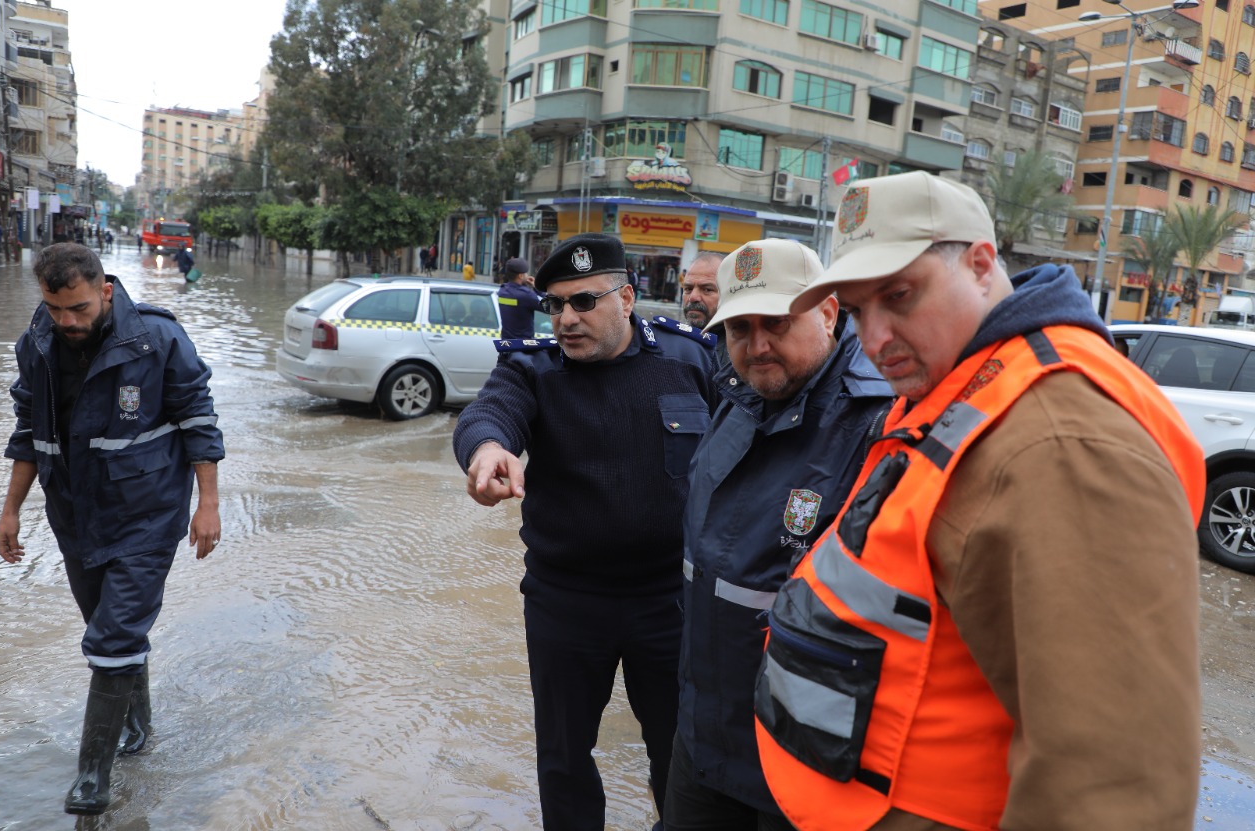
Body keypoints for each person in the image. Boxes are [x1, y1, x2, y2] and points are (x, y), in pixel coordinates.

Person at [753, 171, 1206, 829]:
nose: (874, 338)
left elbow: (1113, 786)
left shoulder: (1058, 440)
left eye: (900, 295)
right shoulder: (957, 382)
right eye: (855, 310)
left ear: (981, 263)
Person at [452, 232, 719, 831]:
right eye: (555, 305)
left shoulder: (690, 360)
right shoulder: (533, 369)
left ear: (627, 298)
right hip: (565, 600)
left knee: (680, 757)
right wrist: (489, 451)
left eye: (584, 302)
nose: (566, 319)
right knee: (565, 758)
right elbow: (487, 414)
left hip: (670, 601)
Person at [665, 240, 893, 831]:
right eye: (739, 328)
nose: (757, 344)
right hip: (703, 738)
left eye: (776, 323)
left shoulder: (880, 423)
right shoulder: (738, 399)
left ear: (827, 313)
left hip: (804, 760)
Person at [0, 243, 224, 815]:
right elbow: (29, 431)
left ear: (105, 290)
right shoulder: (38, 344)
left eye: (77, 309)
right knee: (111, 630)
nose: (67, 322)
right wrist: (10, 509)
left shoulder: (158, 339)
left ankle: (92, 779)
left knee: (111, 640)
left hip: (148, 515)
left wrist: (209, 504)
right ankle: (137, 724)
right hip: (75, 516)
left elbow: (198, 419)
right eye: (55, 309)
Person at [496, 256, 544, 340]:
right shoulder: (526, 295)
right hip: (523, 345)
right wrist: (538, 288)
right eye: (526, 273)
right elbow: (551, 308)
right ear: (521, 276)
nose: (527, 275)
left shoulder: (503, 291)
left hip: (506, 344)